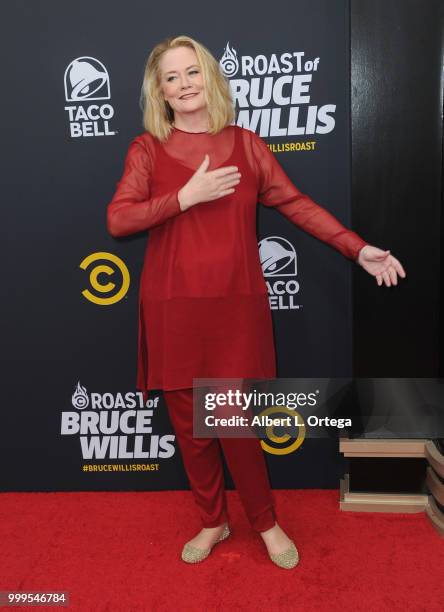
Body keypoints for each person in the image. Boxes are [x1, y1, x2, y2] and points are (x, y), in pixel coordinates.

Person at [106, 35, 406, 569]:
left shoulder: (246, 145)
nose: (184, 84)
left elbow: (296, 204)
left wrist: (356, 248)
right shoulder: (147, 149)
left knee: (232, 424)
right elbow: (119, 219)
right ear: (161, 92)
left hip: (232, 310)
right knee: (192, 431)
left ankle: (265, 522)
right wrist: (183, 197)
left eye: (192, 72)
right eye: (171, 78)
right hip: (172, 308)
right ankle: (212, 521)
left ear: (210, 79)